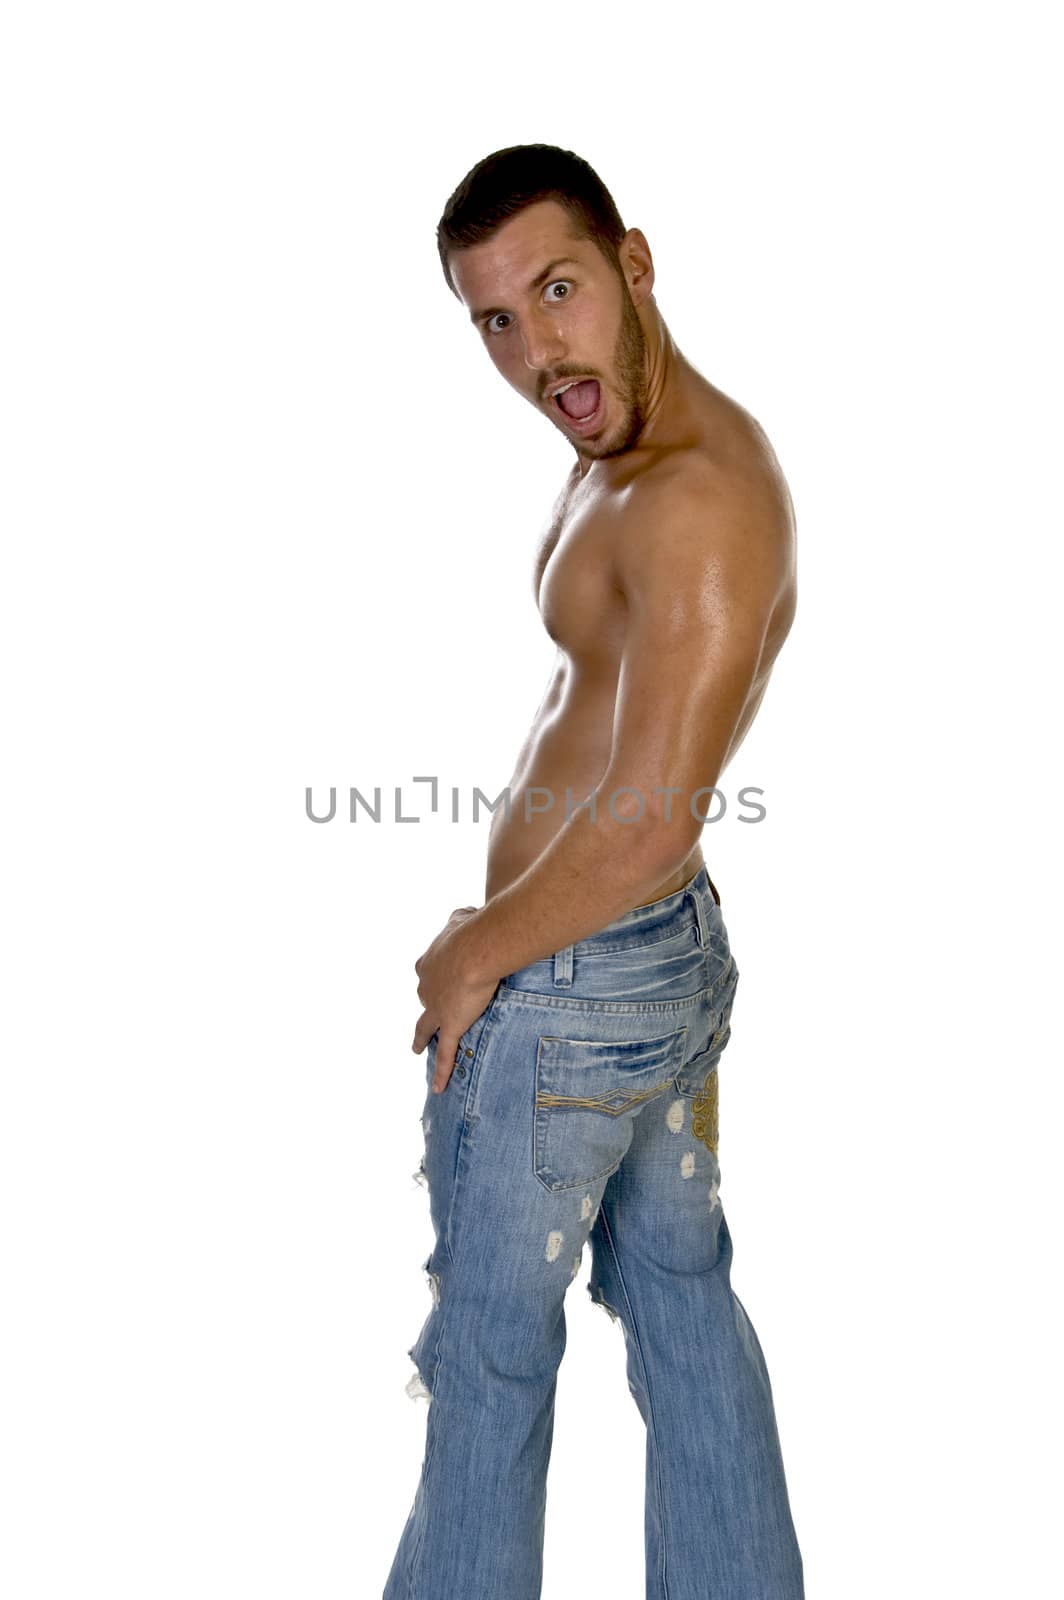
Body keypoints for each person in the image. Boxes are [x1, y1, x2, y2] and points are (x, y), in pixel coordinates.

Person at [383, 143, 804, 1600]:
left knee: (489, 1365)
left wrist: (479, 948)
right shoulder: (623, 453)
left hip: (579, 994)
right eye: (494, 318)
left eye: (557, 289)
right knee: (683, 1300)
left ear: (634, 260)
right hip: (650, 975)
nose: (532, 346)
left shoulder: (697, 497)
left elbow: (644, 822)